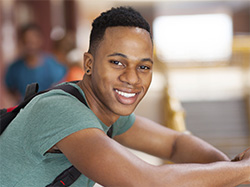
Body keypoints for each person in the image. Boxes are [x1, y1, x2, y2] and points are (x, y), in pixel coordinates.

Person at [0, 7, 249, 187]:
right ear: (89, 63)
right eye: (117, 62)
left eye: (144, 67)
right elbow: (146, 181)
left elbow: (174, 144)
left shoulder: (103, 109)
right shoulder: (62, 111)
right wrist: (240, 170)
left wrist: (230, 168)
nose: (132, 78)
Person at [4, 23, 67, 101]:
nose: (30, 46)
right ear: (21, 42)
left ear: (40, 40)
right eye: (26, 42)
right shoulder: (14, 68)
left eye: (33, 42)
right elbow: (10, 89)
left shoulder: (53, 65)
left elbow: (60, 87)